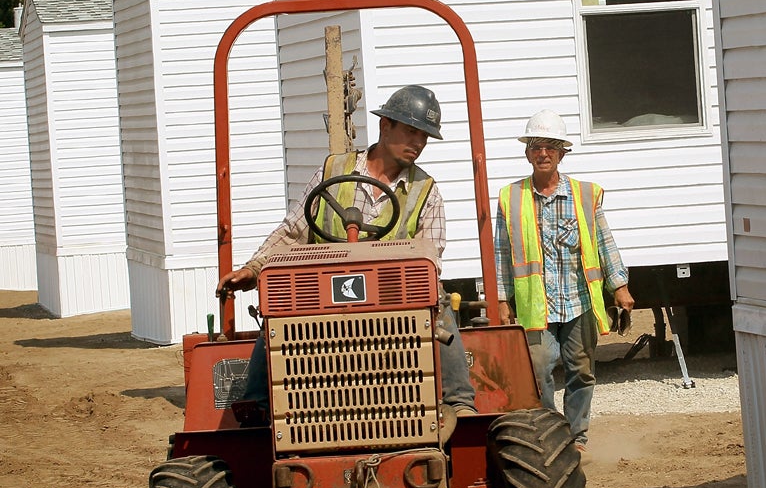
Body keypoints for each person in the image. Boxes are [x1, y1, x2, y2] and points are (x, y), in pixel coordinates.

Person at [216, 84, 476, 413]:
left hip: (390, 298)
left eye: (424, 136)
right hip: (322, 290)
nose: (418, 143)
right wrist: (254, 269)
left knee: (437, 298)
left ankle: (459, 403)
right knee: (276, 308)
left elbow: (430, 257)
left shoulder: (426, 191)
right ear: (385, 126)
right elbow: (294, 230)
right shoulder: (333, 171)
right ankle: (258, 407)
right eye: (411, 131)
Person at [494, 109, 634, 450]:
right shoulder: (511, 198)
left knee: (581, 370)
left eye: (551, 147)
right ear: (527, 153)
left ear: (562, 153)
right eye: (536, 146)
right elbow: (501, 251)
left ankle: (576, 437)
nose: (543, 153)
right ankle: (551, 433)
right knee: (538, 368)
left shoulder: (585, 195)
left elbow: (604, 241)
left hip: (578, 300)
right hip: (536, 306)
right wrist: (500, 298)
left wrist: (620, 285)